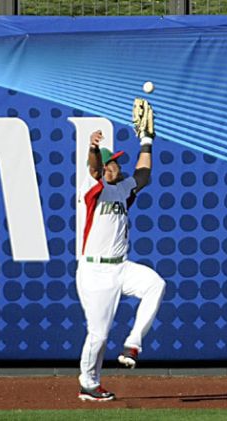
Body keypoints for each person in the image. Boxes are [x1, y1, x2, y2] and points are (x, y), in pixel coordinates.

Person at [75, 128, 166, 402]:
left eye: (112, 163)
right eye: (106, 165)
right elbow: (93, 168)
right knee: (98, 335)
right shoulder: (92, 189)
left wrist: (147, 141)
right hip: (95, 271)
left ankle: (133, 344)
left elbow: (143, 175)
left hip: (120, 267)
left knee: (155, 284)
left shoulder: (122, 188)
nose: (110, 167)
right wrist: (93, 149)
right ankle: (88, 383)